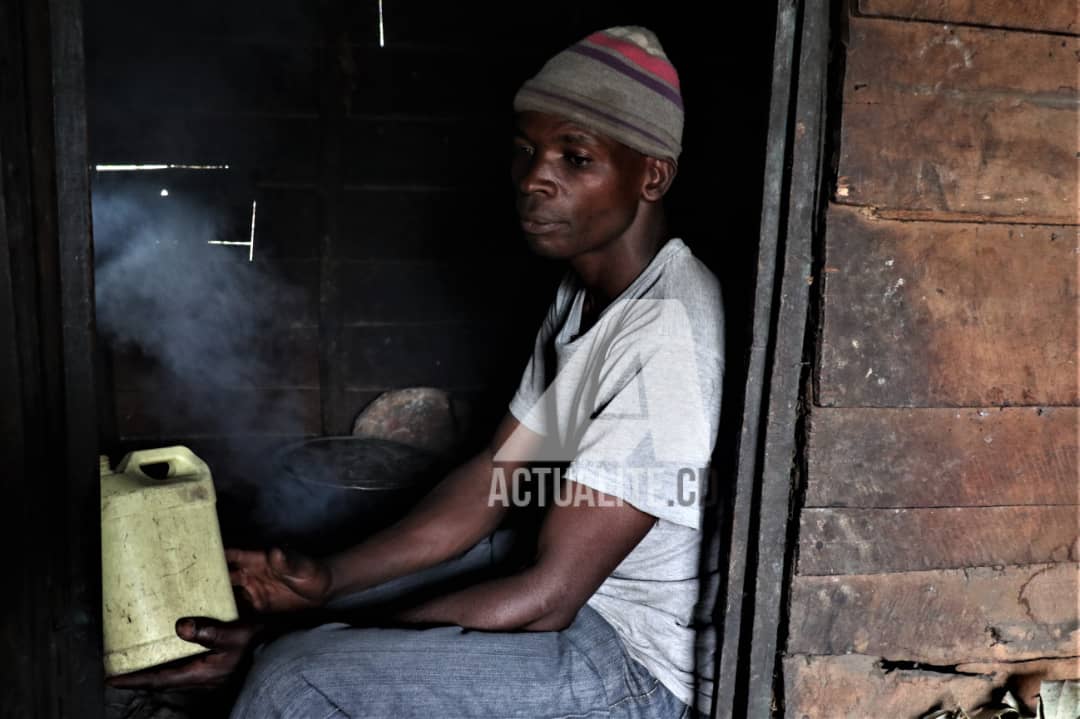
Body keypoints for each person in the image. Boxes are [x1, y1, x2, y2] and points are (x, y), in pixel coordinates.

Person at [110, 25, 724, 718]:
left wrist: (298, 641)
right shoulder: (585, 299)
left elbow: (549, 597)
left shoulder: (667, 332)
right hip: (580, 608)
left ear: (652, 174)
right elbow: (497, 470)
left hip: (633, 665)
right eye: (526, 151)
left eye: (574, 158)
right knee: (354, 607)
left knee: (293, 679)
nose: (533, 179)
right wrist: (328, 582)